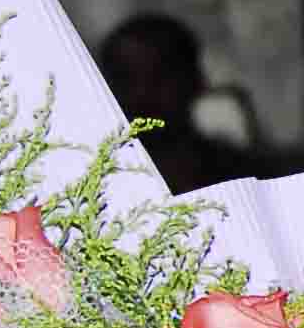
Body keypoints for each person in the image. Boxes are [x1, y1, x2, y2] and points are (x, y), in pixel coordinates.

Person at [97, 12, 249, 193]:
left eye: (158, 76)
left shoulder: (244, 175)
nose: (142, 93)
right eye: (126, 78)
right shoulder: (99, 186)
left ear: (195, 80)